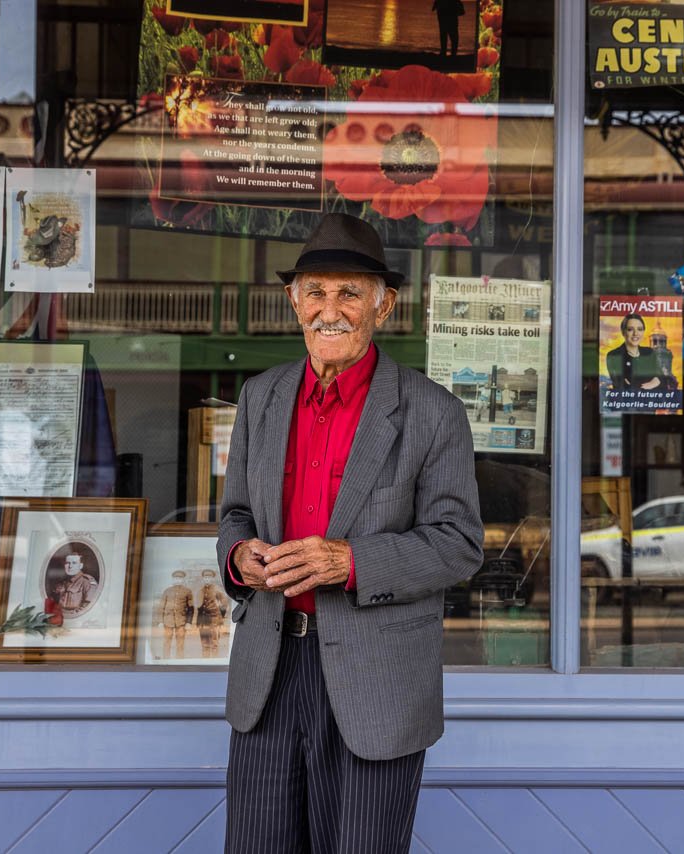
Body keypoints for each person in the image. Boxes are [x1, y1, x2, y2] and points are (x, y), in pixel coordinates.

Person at [217, 212, 483, 853]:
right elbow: (235, 516)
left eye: (349, 293)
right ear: (293, 301)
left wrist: (350, 561)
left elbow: (459, 542)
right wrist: (238, 558)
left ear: (384, 304)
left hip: (377, 682)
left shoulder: (433, 411)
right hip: (269, 674)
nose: (328, 310)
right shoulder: (261, 397)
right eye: (315, 292)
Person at [605, 313, 663, 391]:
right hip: (626, 402)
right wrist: (653, 382)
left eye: (639, 329)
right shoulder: (614, 355)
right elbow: (621, 385)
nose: (635, 333)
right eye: (630, 329)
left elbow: (663, 379)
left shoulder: (649, 353)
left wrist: (658, 380)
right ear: (623, 332)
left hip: (651, 402)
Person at [156, 568, 194, 659]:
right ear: (173, 579)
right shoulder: (167, 591)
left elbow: (191, 608)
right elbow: (161, 607)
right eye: (176, 578)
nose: (178, 580)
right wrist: (160, 621)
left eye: (180, 579)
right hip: (167, 621)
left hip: (181, 621)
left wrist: (189, 622)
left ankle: (179, 661)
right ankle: (165, 661)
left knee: (180, 643)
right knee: (166, 643)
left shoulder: (187, 591)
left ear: (183, 579)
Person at [52, 550, 97, 618]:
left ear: (81, 566)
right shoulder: (62, 582)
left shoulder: (87, 582)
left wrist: (70, 616)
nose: (70, 566)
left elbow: (88, 606)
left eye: (74, 563)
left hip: (76, 619)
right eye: (67, 563)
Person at [196, 568, 229, 658]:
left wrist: (220, 616)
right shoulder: (200, 591)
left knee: (214, 643)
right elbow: (198, 607)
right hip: (203, 621)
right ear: (203, 579)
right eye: (205, 577)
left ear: (212, 579)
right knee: (204, 643)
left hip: (214, 620)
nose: (207, 579)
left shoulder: (217, 589)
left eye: (209, 577)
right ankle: (205, 662)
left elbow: (224, 603)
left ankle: (214, 661)